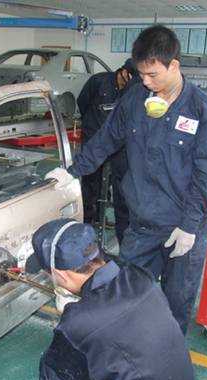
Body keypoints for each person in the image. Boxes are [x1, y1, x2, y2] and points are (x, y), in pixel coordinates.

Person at [46, 25, 207, 334]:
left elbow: (206, 174)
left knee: (176, 304)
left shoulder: (201, 109)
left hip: (182, 226)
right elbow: (106, 139)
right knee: (124, 294)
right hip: (143, 223)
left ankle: (168, 354)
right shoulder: (135, 99)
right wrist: (72, 170)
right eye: (141, 74)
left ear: (174, 65)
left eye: (153, 74)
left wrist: (190, 226)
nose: (146, 81)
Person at [27, 218, 203, 380]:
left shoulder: (76, 324)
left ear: (61, 275)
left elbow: (70, 364)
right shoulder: (141, 278)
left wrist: (73, 315)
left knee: (51, 369)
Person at [76, 59, 136, 243]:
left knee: (111, 181)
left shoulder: (133, 91)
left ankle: (102, 215)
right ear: (124, 73)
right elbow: (82, 102)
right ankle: (87, 221)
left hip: (116, 144)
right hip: (94, 138)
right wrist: (92, 124)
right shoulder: (98, 81)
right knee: (91, 182)